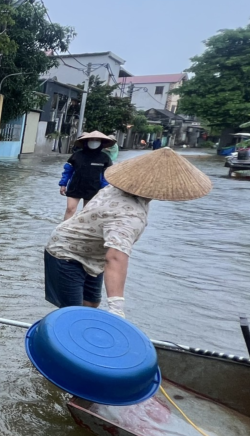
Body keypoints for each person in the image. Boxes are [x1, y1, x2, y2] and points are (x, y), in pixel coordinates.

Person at [44, 148, 211, 319]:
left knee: (91, 303)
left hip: (93, 255)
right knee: (73, 312)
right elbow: (115, 257)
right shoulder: (129, 216)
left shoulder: (118, 188)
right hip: (66, 251)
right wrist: (116, 308)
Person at [58, 130, 116, 219]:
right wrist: (63, 184)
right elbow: (67, 171)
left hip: (94, 188)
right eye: (92, 139)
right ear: (86, 141)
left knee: (87, 212)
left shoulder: (105, 158)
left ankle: (82, 231)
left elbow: (107, 176)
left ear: (101, 142)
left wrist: (104, 189)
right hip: (75, 187)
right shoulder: (76, 155)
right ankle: (64, 230)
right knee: (70, 209)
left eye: (97, 140)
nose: (94, 142)